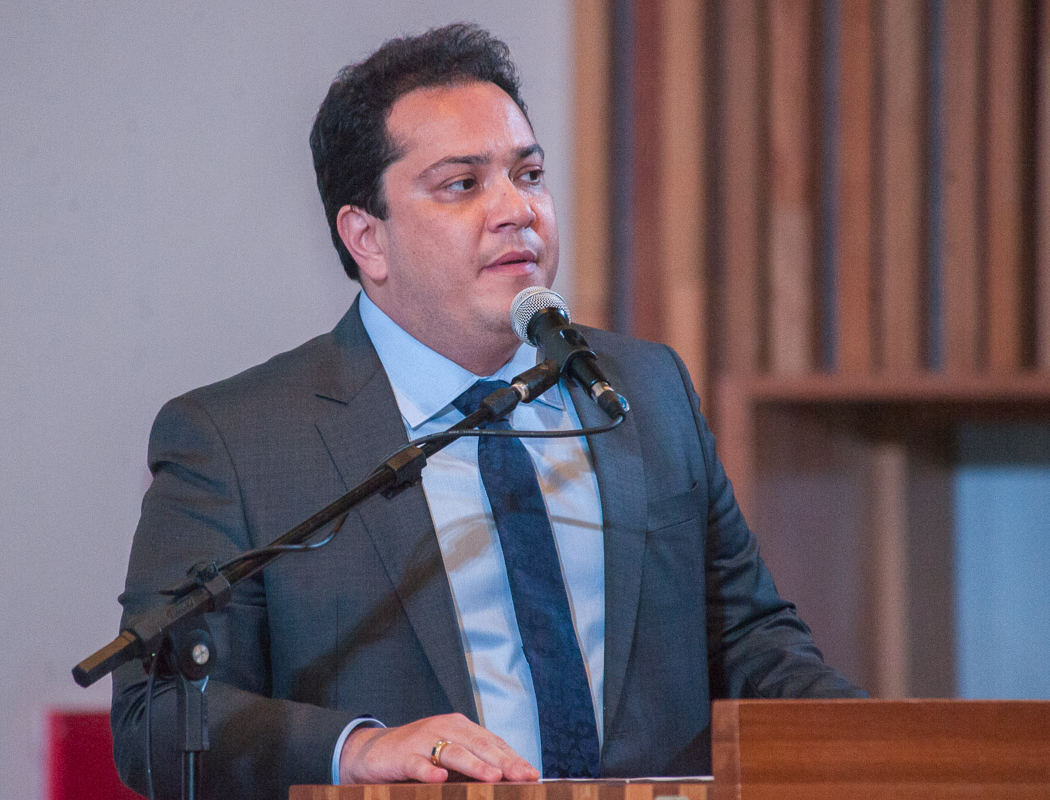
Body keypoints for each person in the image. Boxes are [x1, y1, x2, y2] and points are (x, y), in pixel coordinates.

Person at [110, 22, 864, 800]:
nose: (517, 209)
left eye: (529, 174)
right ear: (367, 238)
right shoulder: (240, 443)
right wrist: (356, 748)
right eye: (462, 185)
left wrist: (888, 745)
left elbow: (749, 642)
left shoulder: (644, 391)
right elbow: (155, 717)